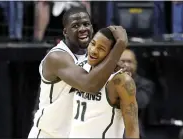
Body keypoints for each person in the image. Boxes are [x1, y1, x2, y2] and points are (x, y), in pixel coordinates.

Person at [28, 7, 128, 138]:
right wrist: (120, 45)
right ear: (65, 32)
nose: (82, 29)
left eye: (86, 24)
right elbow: (90, 85)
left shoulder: (93, 55)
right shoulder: (57, 57)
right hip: (48, 135)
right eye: (76, 25)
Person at [69, 27, 139, 138]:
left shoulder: (120, 81)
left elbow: (132, 129)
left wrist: (121, 43)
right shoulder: (79, 67)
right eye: (93, 43)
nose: (93, 50)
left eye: (101, 48)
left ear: (112, 54)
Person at [119, 49, 155, 138]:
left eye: (130, 62)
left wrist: (125, 82)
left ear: (136, 64)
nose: (126, 65)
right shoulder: (107, 81)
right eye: (123, 61)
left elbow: (140, 103)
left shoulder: (145, 84)